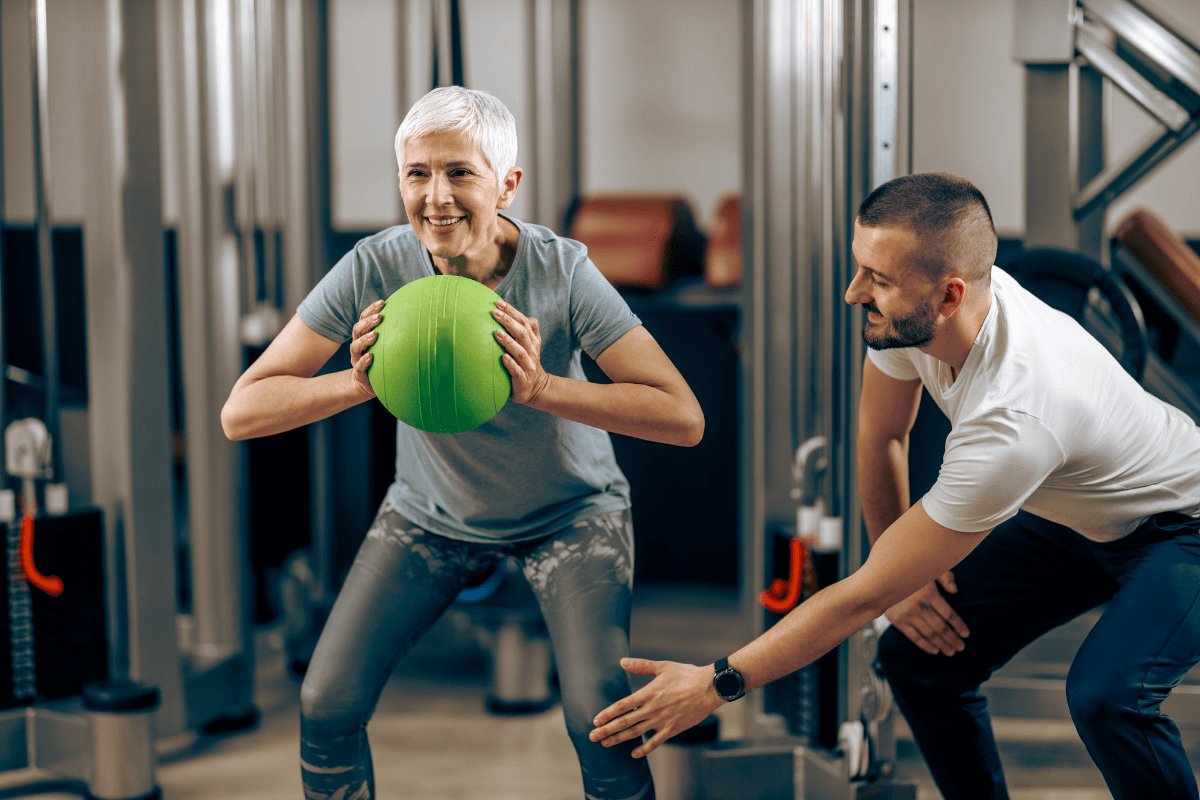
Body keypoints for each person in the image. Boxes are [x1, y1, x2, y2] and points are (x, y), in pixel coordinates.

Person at [588, 172, 1200, 800]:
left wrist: (715, 683)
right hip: (1082, 517)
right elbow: (883, 439)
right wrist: (902, 591)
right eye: (860, 269)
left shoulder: (1014, 419)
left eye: (877, 280)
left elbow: (857, 599)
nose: (855, 294)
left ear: (948, 295)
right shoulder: (915, 322)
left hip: (1184, 526)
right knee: (917, 658)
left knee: (1107, 696)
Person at [222, 85, 704, 800]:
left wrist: (546, 389)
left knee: (599, 719)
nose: (436, 196)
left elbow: (682, 415)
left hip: (569, 516)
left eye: (459, 172)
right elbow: (242, 411)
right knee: (326, 704)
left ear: (506, 184)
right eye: (417, 173)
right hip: (429, 513)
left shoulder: (561, 270)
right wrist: (358, 385)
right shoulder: (374, 267)